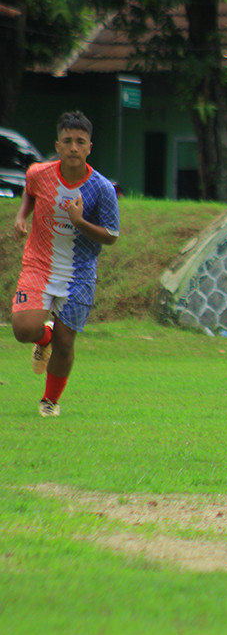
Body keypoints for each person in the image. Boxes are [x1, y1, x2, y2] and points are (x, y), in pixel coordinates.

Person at [10, 111, 120, 417]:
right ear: (58, 146)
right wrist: (21, 218)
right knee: (23, 329)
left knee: (66, 341)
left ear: (89, 148)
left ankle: (50, 401)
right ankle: (42, 339)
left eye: (80, 142)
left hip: (79, 274)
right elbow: (29, 194)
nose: (74, 147)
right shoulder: (38, 173)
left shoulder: (102, 189)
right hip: (39, 264)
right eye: (68, 141)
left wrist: (79, 222)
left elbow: (111, 236)